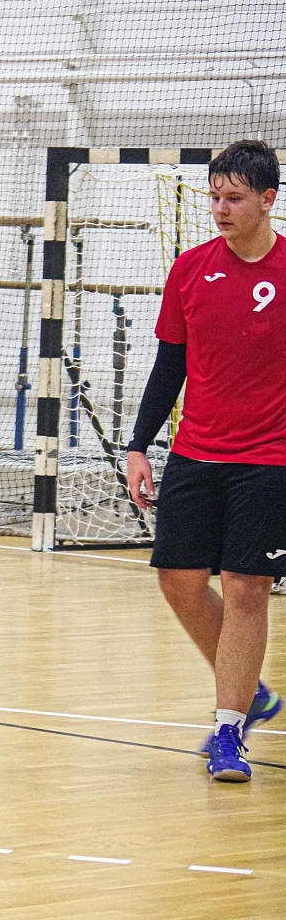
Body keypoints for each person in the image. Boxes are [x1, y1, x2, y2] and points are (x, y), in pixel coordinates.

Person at [126, 139, 285, 783]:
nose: (219, 209)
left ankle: (228, 728)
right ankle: (252, 692)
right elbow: (170, 364)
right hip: (196, 450)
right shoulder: (191, 269)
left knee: (248, 586)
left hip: (271, 456)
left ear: (268, 199)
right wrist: (139, 445)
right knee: (179, 580)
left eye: (234, 198)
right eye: (214, 197)